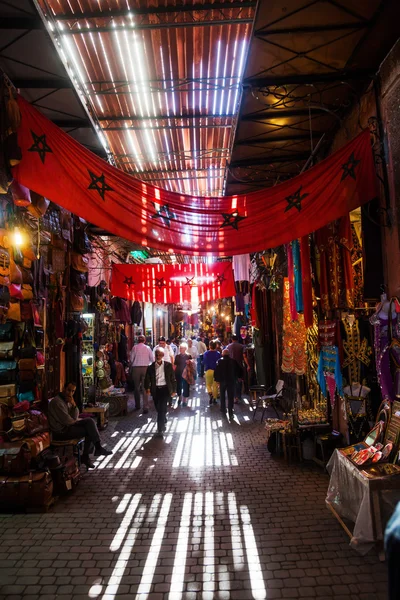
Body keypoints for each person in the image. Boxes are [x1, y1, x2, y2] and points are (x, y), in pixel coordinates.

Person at [48, 381, 112, 469]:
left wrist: (74, 405)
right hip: (60, 432)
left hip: (67, 427)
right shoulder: (57, 402)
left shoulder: (67, 400)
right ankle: (90, 453)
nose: (70, 393)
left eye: (73, 391)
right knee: (89, 427)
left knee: (89, 424)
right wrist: (78, 422)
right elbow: (68, 421)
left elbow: (74, 416)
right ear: (64, 389)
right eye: (68, 390)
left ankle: (94, 450)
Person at [144, 348, 176, 438]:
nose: (158, 356)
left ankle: (160, 429)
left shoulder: (168, 366)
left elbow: (173, 379)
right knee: (159, 408)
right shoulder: (151, 367)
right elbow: (147, 379)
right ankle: (164, 418)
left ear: (163, 356)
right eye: (156, 355)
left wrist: (174, 390)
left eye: (160, 355)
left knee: (161, 410)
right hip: (156, 390)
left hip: (165, 389)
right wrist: (147, 388)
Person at [214, 349, 241, 419]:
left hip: (222, 381)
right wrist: (238, 377)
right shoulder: (233, 361)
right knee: (230, 396)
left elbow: (216, 372)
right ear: (229, 354)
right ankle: (230, 411)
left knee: (222, 396)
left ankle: (223, 409)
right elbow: (239, 370)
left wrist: (217, 380)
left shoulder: (219, 361)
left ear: (222, 354)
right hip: (231, 381)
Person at [129, 335, 154, 413]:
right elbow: (152, 359)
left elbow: (131, 359)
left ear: (138, 340)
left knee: (136, 387)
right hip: (145, 368)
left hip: (136, 368)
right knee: (145, 387)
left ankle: (137, 405)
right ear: (144, 340)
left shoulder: (134, 347)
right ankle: (145, 406)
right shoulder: (148, 348)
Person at [227, 334, 244, 403]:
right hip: (239, 366)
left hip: (231, 367)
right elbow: (244, 356)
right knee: (239, 381)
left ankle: (234, 397)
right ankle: (238, 396)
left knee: (232, 382)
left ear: (232, 339)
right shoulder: (241, 346)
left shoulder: (228, 346)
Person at [203, 340, 221, 405]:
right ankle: (215, 399)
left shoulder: (206, 353)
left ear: (209, 346)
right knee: (215, 385)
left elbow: (204, 362)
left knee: (208, 384)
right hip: (216, 371)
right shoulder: (218, 353)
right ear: (215, 346)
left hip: (208, 370)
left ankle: (210, 393)